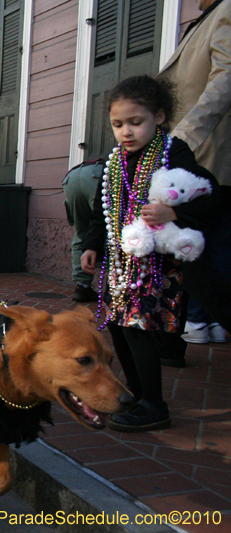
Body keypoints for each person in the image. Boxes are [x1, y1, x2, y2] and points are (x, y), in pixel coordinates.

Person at [81, 76, 219, 432]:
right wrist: (93, 244)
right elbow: (102, 208)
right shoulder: (115, 162)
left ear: (158, 116)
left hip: (155, 264)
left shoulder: (174, 152)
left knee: (138, 326)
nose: (126, 131)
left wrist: (175, 213)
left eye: (135, 122)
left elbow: (211, 196)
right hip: (120, 260)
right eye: (118, 124)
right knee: (118, 324)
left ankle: (154, 404)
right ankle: (138, 395)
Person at [159, 0, 231, 345]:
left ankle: (203, 320)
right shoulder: (205, 19)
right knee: (207, 242)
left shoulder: (226, 10)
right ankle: (207, 321)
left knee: (204, 244)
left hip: (207, 155)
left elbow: (224, 81)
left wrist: (180, 140)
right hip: (197, 159)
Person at [62, 159, 104, 302]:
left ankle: (82, 286)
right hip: (96, 174)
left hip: (71, 176)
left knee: (81, 233)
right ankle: (115, 284)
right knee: (111, 231)